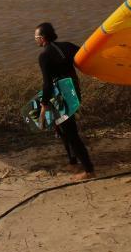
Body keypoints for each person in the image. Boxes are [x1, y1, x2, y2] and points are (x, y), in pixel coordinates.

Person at [34, 22, 94, 179]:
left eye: (36, 37)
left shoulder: (44, 55)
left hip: (61, 97)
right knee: (61, 128)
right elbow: (85, 54)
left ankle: (89, 170)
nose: (35, 40)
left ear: (43, 38)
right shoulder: (67, 46)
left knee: (70, 133)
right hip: (74, 92)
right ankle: (73, 161)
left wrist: (44, 104)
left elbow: (47, 83)